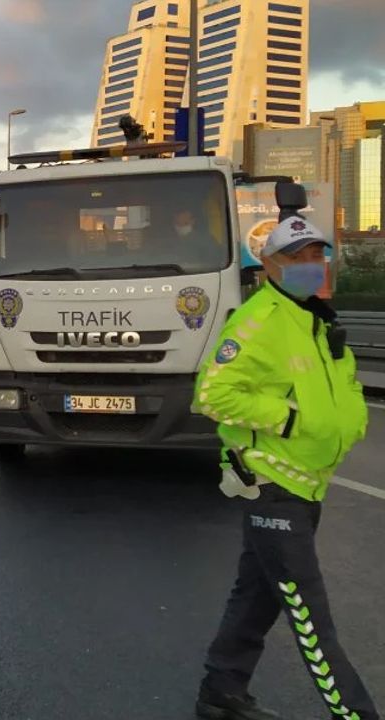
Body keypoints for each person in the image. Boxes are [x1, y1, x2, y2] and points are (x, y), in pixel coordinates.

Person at [193, 216, 375, 720]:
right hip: (274, 483)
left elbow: (349, 386)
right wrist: (287, 422)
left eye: (317, 255)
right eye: (296, 257)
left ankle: (220, 692)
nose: (309, 265)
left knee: (257, 595)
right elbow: (212, 395)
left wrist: (352, 420)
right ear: (270, 264)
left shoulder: (316, 319)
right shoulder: (259, 322)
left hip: (308, 483)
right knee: (312, 618)